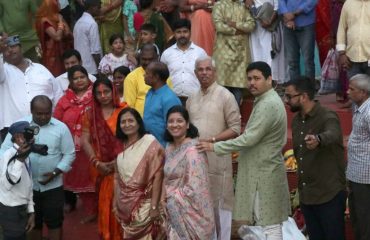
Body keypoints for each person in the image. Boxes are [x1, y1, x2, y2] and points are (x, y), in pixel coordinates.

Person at [197, 61, 290, 238]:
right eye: (249, 79)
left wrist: (214, 146)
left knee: (270, 225)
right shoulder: (264, 100)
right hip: (262, 170)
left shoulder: (268, 104)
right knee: (266, 223)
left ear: (269, 79)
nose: (252, 83)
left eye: (257, 78)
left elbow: (249, 139)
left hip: (264, 173)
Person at [0, 95, 75, 240]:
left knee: (55, 222)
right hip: (26, 188)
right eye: (39, 113)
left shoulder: (61, 128)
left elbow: (69, 155)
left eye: (47, 113)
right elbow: (3, 152)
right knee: (33, 223)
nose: (43, 117)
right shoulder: (19, 126)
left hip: (53, 187)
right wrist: (16, 159)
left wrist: (55, 173)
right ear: (31, 111)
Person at [284, 76, 346, 240]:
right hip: (307, 195)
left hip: (329, 195)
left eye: (290, 96)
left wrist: (318, 139)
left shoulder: (327, 116)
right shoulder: (297, 120)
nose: (286, 100)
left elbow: (333, 133)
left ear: (303, 97)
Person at [186, 56, 240, 240]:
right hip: (196, 161)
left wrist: (213, 139)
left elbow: (235, 128)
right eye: (200, 70)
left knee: (221, 208)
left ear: (214, 72)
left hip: (218, 158)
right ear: (195, 73)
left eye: (208, 69)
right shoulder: (191, 98)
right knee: (200, 205)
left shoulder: (225, 95)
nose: (204, 73)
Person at [81, 78, 127, 240]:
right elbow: (84, 140)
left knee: (122, 205)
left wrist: (118, 162)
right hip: (101, 168)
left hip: (123, 167)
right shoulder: (90, 114)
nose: (103, 96)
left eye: (106, 91)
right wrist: (96, 162)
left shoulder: (124, 111)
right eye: (99, 93)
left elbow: (133, 138)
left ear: (113, 91)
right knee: (106, 206)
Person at [164, 105, 215, 239]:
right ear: (166, 125)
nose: (175, 125)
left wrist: (168, 195)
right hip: (170, 206)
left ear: (187, 125)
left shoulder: (193, 150)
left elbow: (196, 187)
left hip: (190, 213)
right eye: (171, 121)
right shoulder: (169, 147)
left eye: (179, 121)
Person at [54, 65, 97, 223]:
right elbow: (56, 122)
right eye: (75, 78)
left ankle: (103, 208)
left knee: (98, 179)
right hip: (73, 149)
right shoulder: (64, 100)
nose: (79, 81)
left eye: (82, 77)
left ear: (88, 78)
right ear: (70, 82)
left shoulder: (97, 94)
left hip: (95, 147)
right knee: (81, 182)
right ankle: (91, 210)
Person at [114, 108, 166, 239]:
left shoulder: (150, 142)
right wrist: (115, 202)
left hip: (145, 206)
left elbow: (158, 177)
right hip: (124, 206)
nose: (127, 124)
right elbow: (116, 177)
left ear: (138, 123)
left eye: (131, 120)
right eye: (123, 122)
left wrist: (154, 206)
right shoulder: (120, 145)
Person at [0, 34, 63, 142]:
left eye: (13, 46)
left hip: (46, 126)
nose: (10, 50)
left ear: (21, 48)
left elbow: (59, 97)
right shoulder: (3, 71)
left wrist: (57, 123)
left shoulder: (41, 69)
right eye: (6, 48)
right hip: (13, 129)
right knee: (15, 159)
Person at [212, 0, 255, 105]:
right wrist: (238, 31)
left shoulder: (242, 7)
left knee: (238, 87)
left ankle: (234, 117)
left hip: (240, 54)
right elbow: (219, 25)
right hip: (223, 52)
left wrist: (234, 24)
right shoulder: (219, 5)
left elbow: (251, 25)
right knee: (222, 86)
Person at [0, 121, 35, 240]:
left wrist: (31, 211)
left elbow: (29, 184)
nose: (32, 137)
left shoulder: (25, 154)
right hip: (10, 211)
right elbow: (7, 185)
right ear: (18, 137)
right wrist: (19, 160)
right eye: (29, 134)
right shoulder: (8, 155)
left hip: (22, 208)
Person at [160, 19, 207, 105]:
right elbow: (161, 78)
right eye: (178, 32)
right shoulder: (167, 54)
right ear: (174, 34)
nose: (182, 35)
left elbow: (206, 75)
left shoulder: (200, 53)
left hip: (196, 100)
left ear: (190, 32)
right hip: (171, 99)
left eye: (185, 31)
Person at [346, 74, 370, 239]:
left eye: (352, 89)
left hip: (365, 178)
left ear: (363, 92)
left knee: (364, 220)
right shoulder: (359, 108)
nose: (348, 92)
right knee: (356, 217)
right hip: (356, 173)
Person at [124, 44, 172, 116]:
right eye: (144, 59)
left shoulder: (164, 76)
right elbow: (129, 106)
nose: (147, 62)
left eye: (150, 59)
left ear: (157, 58)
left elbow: (170, 101)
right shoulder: (131, 77)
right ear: (139, 58)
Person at [143, 62, 181, 146]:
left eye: (147, 73)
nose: (144, 75)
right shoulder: (150, 92)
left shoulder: (170, 98)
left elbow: (174, 127)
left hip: (164, 146)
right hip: (149, 144)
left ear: (156, 77)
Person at [279, 0, 318, 81]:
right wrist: (286, 14)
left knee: (308, 61)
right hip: (288, 24)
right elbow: (281, 1)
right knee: (292, 61)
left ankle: (309, 90)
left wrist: (295, 13)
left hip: (306, 24)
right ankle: (295, 90)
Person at [35, 0, 73, 77]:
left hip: (63, 52)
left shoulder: (58, 17)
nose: (59, 6)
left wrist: (61, 21)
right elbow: (57, 37)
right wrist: (60, 22)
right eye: (56, 4)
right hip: (52, 57)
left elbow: (68, 33)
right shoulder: (45, 21)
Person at [336, 0, 370, 78]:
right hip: (351, 58)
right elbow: (341, 28)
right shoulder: (348, 3)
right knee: (354, 87)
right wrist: (342, 53)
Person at [73, 0, 102, 75]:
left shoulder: (78, 23)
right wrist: (99, 68)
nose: (100, 9)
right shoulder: (92, 24)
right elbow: (95, 50)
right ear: (92, 7)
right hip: (92, 68)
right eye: (98, 7)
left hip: (80, 66)